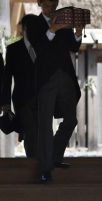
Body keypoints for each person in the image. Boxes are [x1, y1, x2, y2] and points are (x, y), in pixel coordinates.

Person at [27, 0, 83, 183]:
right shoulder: (33, 23)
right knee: (45, 124)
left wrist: (77, 32)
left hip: (66, 78)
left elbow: (73, 47)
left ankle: (54, 156)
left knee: (71, 120)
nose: (50, 7)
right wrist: (52, 29)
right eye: (47, 3)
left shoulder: (63, 20)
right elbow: (39, 48)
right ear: (40, 4)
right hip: (45, 81)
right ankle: (45, 169)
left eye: (53, 3)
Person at [0, 14, 38, 157]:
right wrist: (5, 102)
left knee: (42, 130)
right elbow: (7, 78)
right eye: (30, 27)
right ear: (24, 29)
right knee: (30, 130)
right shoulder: (14, 49)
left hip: (43, 97)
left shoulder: (43, 47)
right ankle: (33, 162)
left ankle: (41, 160)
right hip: (22, 99)